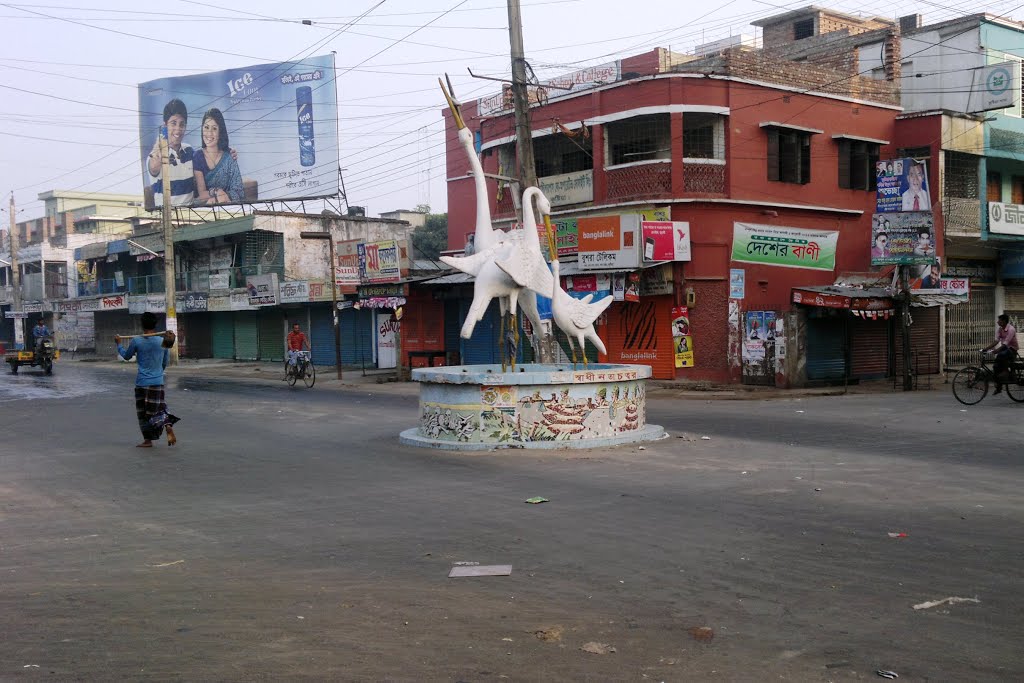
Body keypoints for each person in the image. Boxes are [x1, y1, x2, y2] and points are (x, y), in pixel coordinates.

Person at [115, 312, 179, 447]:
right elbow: (164, 362)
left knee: (143, 413)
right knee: (160, 408)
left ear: (142, 324)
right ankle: (167, 424)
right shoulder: (163, 341)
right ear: (155, 324)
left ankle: (148, 440)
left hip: (142, 383)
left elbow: (126, 356)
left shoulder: (137, 341)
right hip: (157, 382)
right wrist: (158, 374)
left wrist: (119, 344)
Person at [148, 99, 196, 207]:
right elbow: (154, 167)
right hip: (167, 219)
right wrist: (159, 146)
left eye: (182, 124)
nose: (178, 129)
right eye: (173, 123)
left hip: (191, 217)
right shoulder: (155, 154)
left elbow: (206, 158)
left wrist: (227, 152)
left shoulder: (189, 150)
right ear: (165, 125)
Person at [193, 108, 244, 205]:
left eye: (214, 128)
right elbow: (202, 193)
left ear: (220, 132)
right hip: (205, 205)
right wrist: (217, 192)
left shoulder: (228, 156)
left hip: (227, 203)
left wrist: (223, 196)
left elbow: (239, 191)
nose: (209, 133)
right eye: (206, 127)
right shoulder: (198, 156)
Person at [983, 313, 1019, 395]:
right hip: (1005, 348)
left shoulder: (1011, 329)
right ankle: (999, 387)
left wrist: (997, 350)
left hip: (1012, 349)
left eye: (999, 320)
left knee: (1000, 355)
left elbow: (1006, 343)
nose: (997, 322)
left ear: (1004, 321)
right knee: (995, 366)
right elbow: (996, 341)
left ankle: (1005, 371)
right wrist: (986, 348)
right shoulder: (1000, 329)